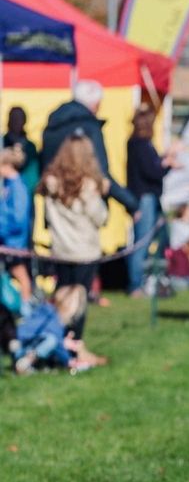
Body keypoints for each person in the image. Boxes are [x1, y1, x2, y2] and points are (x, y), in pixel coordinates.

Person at [37, 131, 108, 347]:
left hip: (61, 250)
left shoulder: (51, 184)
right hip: (84, 253)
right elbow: (100, 217)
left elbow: (48, 217)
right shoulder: (88, 186)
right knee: (78, 301)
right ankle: (74, 344)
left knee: (61, 298)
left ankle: (54, 341)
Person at [41, 80, 137, 214]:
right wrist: (130, 203)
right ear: (95, 103)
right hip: (84, 203)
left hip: (56, 201)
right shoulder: (89, 128)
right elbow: (101, 172)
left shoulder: (53, 125)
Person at [126, 105, 180, 297]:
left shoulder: (139, 144)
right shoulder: (140, 145)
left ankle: (156, 279)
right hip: (145, 198)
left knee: (159, 238)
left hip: (149, 197)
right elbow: (152, 172)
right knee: (141, 242)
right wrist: (167, 163)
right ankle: (135, 285)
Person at [0, 145, 33, 302]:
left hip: (14, 243)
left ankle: (26, 311)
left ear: (7, 165)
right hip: (7, 241)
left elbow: (18, 219)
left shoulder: (18, 187)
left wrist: (2, 229)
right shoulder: (7, 186)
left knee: (20, 275)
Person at [4, 106, 40, 195]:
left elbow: (33, 176)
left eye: (19, 118)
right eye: (13, 118)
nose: (16, 122)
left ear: (24, 121)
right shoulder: (2, 143)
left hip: (25, 194)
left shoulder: (30, 147)